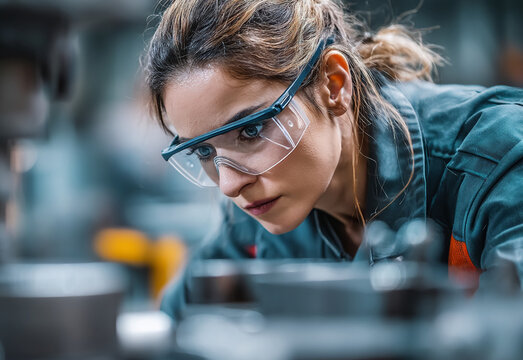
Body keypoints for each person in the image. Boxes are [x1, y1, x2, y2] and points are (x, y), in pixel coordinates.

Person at [144, 0, 523, 319]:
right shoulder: (256, 217)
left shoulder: (498, 162)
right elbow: (173, 323)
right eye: (204, 151)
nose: (229, 185)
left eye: (251, 131)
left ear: (333, 84)